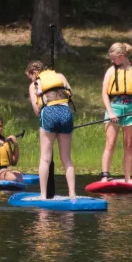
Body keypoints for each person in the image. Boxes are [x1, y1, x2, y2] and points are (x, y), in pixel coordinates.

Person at [26, 60, 76, 199]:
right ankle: (72, 194)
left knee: (45, 159)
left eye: (30, 76)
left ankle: (42, 195)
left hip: (49, 113)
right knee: (67, 159)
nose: (31, 79)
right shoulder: (60, 76)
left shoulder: (34, 84)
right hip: (66, 113)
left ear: (34, 72)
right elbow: (71, 95)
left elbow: (37, 111)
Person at [100, 43, 132, 183]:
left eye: (114, 58)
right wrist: (110, 112)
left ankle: (128, 178)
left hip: (131, 109)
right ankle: (105, 175)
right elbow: (104, 92)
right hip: (114, 108)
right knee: (110, 143)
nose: (112, 61)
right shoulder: (110, 71)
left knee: (128, 145)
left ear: (121, 56)